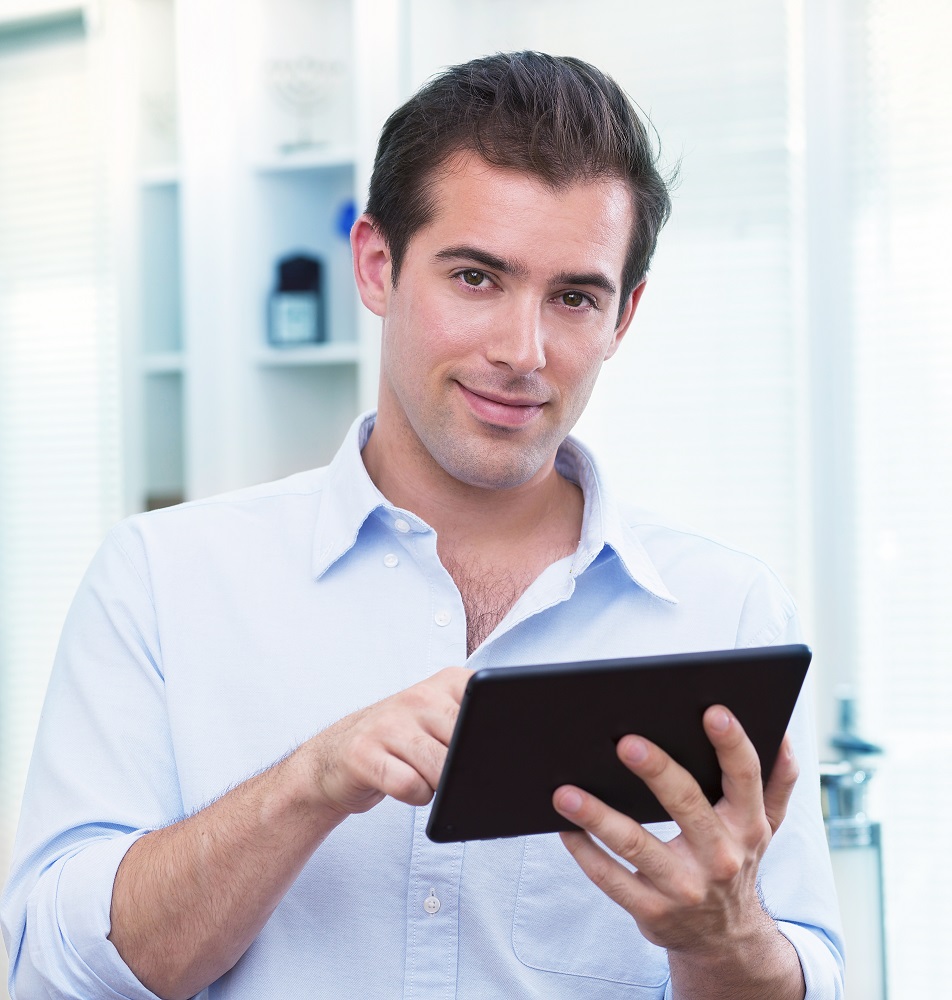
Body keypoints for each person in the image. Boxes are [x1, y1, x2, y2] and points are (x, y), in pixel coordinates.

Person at [2, 51, 843, 999]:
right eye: (477, 278)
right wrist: (307, 783)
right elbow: (57, 971)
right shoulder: (161, 578)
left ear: (625, 315)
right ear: (376, 265)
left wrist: (720, 940)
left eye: (574, 297)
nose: (523, 352)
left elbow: (797, 968)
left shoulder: (727, 613)